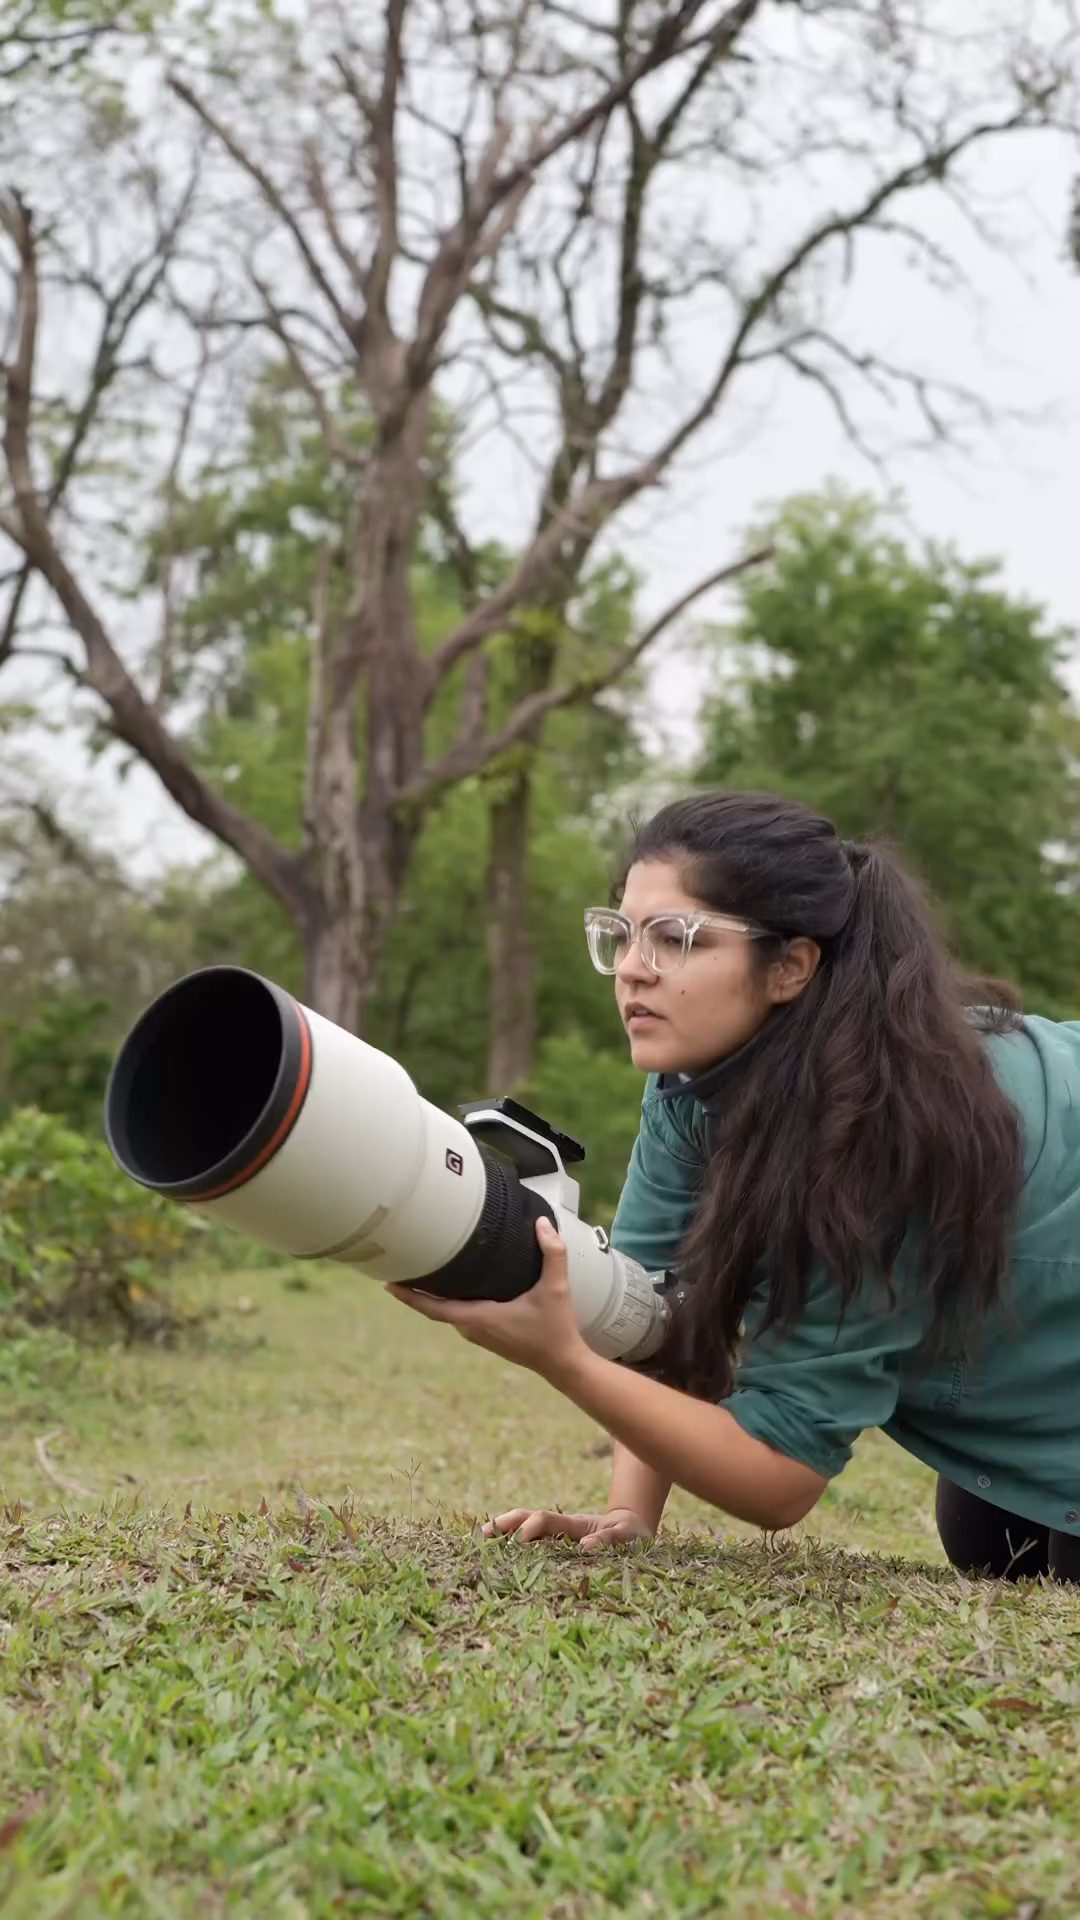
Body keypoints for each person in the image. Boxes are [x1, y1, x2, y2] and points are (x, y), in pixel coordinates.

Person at [387, 790, 1080, 1582]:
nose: (632, 971)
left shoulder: (880, 1123)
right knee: (994, 1552)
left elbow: (780, 1476)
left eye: (676, 938)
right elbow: (642, 1306)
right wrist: (628, 1513)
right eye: (621, 934)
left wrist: (562, 1360)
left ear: (788, 966)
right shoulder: (696, 1078)